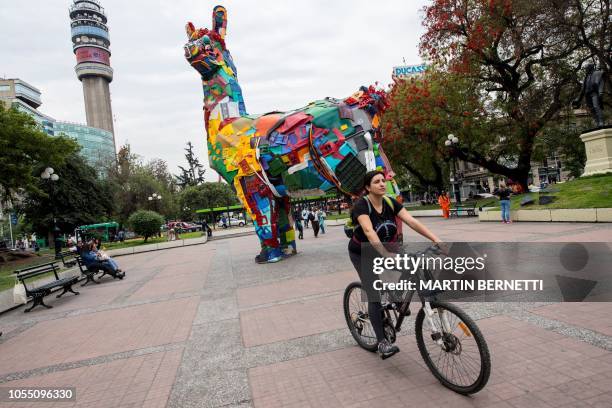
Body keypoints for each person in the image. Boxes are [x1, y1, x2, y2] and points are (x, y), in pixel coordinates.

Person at [348, 170, 442, 359]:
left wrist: (436, 240)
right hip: (363, 252)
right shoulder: (361, 205)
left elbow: (412, 222)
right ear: (368, 187)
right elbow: (368, 231)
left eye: (383, 181)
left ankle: (399, 298)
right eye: (377, 182)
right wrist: (384, 255)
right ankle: (382, 342)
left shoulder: (390, 202)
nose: (382, 184)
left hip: (389, 247)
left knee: (414, 265)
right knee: (373, 295)